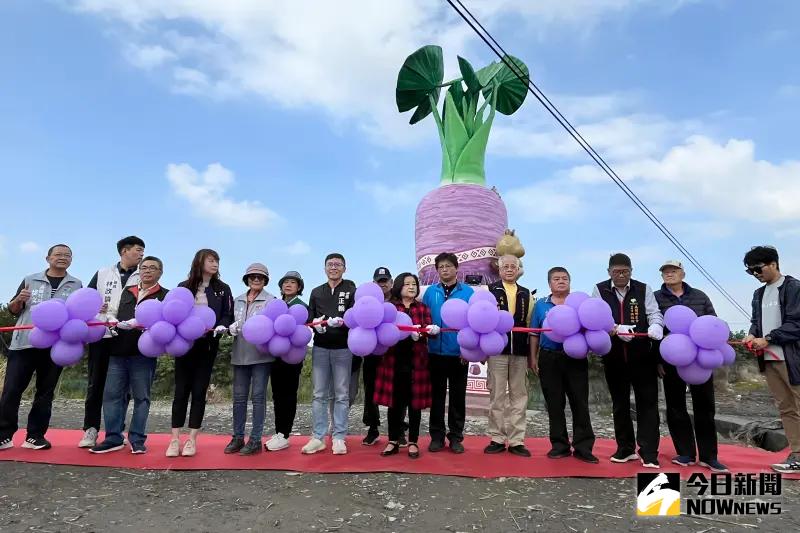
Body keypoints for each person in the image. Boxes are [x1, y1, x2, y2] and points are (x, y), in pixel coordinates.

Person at [0, 245, 82, 451]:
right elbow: (13, 310)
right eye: (58, 254)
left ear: (71, 260)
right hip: (24, 344)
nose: (63, 258)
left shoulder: (76, 284)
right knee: (12, 390)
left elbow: (79, 313)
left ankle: (35, 436)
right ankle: (4, 435)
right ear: (48, 258)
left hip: (56, 346)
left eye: (67, 255)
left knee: (45, 392)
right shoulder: (30, 279)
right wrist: (19, 300)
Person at [654, 259, 727, 472]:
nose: (669, 274)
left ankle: (708, 456)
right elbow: (654, 330)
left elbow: (713, 324)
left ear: (682, 274)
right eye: (666, 271)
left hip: (700, 360)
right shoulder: (656, 298)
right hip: (672, 358)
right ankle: (685, 452)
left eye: (674, 270)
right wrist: (657, 360)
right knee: (675, 406)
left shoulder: (700, 296)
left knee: (705, 406)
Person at [592, 253, 664, 468]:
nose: (621, 275)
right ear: (609, 272)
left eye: (625, 271)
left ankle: (649, 452)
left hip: (642, 357)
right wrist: (615, 328)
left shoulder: (643, 289)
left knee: (648, 404)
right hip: (614, 357)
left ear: (631, 271)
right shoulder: (600, 289)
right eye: (616, 272)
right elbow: (595, 318)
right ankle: (625, 448)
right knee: (620, 404)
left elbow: (654, 313)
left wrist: (656, 325)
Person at [89, 256, 167, 454]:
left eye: (153, 268)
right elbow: (113, 312)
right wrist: (108, 316)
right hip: (117, 350)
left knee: (141, 398)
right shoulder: (127, 291)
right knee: (112, 396)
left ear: (160, 273)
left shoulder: (164, 295)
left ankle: (137, 439)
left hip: (144, 354)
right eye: (144, 267)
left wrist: (142, 324)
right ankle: (113, 438)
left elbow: (166, 324)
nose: (147, 271)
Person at [79, 235, 145, 448]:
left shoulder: (143, 274)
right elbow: (85, 299)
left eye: (143, 251)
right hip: (101, 334)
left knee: (122, 387)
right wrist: (93, 308)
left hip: (127, 336)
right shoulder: (102, 273)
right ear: (124, 251)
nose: (141, 254)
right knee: (96, 383)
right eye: (138, 250)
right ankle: (90, 429)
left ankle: (116, 430)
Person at [169, 249, 234, 457]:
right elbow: (173, 312)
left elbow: (228, 314)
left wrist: (222, 326)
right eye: (211, 260)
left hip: (207, 346)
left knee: (199, 391)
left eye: (217, 261)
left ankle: (192, 439)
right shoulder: (183, 286)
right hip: (183, 345)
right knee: (181, 391)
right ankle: (174, 439)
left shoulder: (222, 289)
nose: (215, 264)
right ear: (199, 262)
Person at [742, 246, 800, 474]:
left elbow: (796, 324)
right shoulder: (758, 294)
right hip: (769, 359)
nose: (755, 274)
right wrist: (751, 334)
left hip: (792, 358)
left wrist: (768, 338)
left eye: (758, 269)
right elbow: (756, 322)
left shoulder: (793, 288)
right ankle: (797, 455)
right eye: (750, 271)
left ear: (773, 264)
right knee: (786, 409)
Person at [530, 267, 597, 463]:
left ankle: (583, 447)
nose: (561, 281)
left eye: (565, 278)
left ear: (570, 281)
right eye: (556, 279)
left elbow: (591, 328)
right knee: (554, 403)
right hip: (549, 358)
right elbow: (534, 334)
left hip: (575, 357)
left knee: (580, 402)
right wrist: (532, 358)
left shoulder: (580, 303)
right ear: (549, 283)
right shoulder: (541, 305)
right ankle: (559, 445)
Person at [374, 273, 435, 459]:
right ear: (399, 286)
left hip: (417, 362)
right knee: (395, 403)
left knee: (414, 404)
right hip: (393, 361)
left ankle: (413, 441)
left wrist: (424, 333)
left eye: (414, 284)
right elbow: (381, 330)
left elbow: (429, 329)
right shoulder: (390, 308)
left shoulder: (422, 308)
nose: (411, 287)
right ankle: (392, 440)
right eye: (407, 284)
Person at [302, 253, 356, 455]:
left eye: (338, 264)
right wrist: (316, 325)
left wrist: (343, 323)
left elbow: (357, 316)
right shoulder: (316, 291)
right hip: (321, 347)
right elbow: (310, 316)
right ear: (325, 268)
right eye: (330, 264)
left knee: (341, 394)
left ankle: (339, 436)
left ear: (344, 268)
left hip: (343, 348)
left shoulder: (351, 290)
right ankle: (318, 437)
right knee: (319, 394)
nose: (334, 267)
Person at [422, 252, 474, 453]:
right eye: (441, 267)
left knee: (458, 397)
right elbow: (424, 319)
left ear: (456, 268)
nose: (444, 270)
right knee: (436, 397)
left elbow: (473, 322)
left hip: (459, 353)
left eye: (448, 266)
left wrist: (467, 349)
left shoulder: (467, 292)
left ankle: (456, 437)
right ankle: (436, 436)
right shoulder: (430, 292)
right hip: (434, 352)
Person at [223, 263, 276, 456]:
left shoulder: (271, 301)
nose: (256, 279)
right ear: (247, 279)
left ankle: (255, 440)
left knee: (258, 398)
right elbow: (229, 322)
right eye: (252, 276)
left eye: (260, 277)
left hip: (261, 357)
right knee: (238, 399)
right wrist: (229, 328)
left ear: (265, 280)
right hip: (239, 354)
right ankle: (238, 437)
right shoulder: (237, 300)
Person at [485, 255, 533, 457]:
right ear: (499, 269)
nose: (510, 269)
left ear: (518, 269)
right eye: (506, 266)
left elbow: (529, 323)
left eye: (514, 266)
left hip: (520, 350)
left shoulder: (526, 293)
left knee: (519, 396)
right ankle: (496, 438)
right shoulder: (489, 291)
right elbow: (483, 320)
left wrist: (532, 355)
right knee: (496, 395)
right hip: (497, 349)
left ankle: (516, 440)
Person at [265, 271, 308, 452]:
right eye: (285, 282)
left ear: (299, 287)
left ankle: (285, 434)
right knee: (277, 394)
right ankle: (279, 431)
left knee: (289, 394)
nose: (288, 285)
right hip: (275, 355)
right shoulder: (275, 304)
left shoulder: (302, 306)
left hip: (293, 356)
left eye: (293, 282)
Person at [361, 267, 393, 446]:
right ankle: (373, 428)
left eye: (385, 281)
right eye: (379, 281)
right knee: (370, 391)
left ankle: (398, 429)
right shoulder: (366, 302)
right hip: (371, 352)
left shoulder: (397, 301)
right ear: (373, 283)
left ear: (391, 282)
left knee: (396, 391)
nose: (382, 284)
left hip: (393, 353)